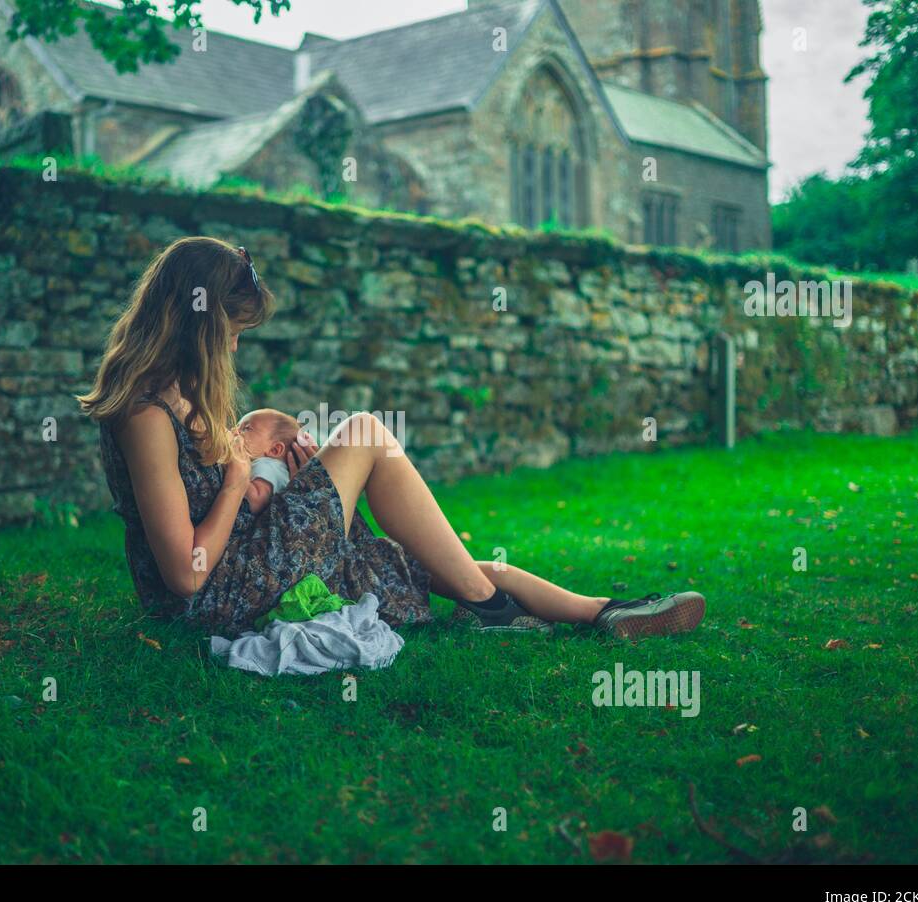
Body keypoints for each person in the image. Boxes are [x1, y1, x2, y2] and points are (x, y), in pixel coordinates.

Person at [77, 237, 705, 639]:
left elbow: (219, 504)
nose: (237, 345)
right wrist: (240, 477)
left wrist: (278, 476)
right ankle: (496, 609)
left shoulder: (186, 395)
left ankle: (603, 610)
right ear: (201, 324)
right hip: (216, 595)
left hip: (250, 558)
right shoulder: (145, 415)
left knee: (432, 568)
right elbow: (185, 577)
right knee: (367, 434)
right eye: (233, 330)